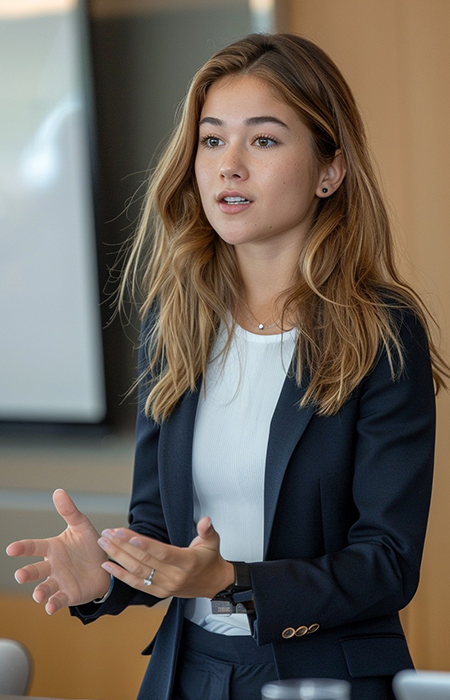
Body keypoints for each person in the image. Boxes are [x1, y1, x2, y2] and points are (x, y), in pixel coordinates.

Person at [6, 33, 449, 700]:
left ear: (330, 170)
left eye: (263, 140)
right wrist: (106, 573)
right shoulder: (174, 321)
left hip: (323, 675)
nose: (228, 166)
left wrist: (233, 582)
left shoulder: (380, 330)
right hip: (189, 672)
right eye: (212, 140)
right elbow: (162, 533)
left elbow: (387, 562)